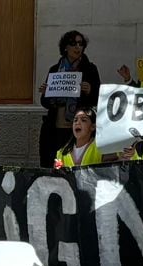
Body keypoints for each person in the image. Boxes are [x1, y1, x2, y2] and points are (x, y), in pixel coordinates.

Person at [39, 31, 99, 166]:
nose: (78, 47)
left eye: (80, 44)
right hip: (56, 126)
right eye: (73, 44)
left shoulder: (90, 69)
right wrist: (46, 93)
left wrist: (90, 90)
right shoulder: (55, 70)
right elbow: (45, 103)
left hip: (79, 127)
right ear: (65, 47)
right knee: (54, 163)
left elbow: (98, 98)